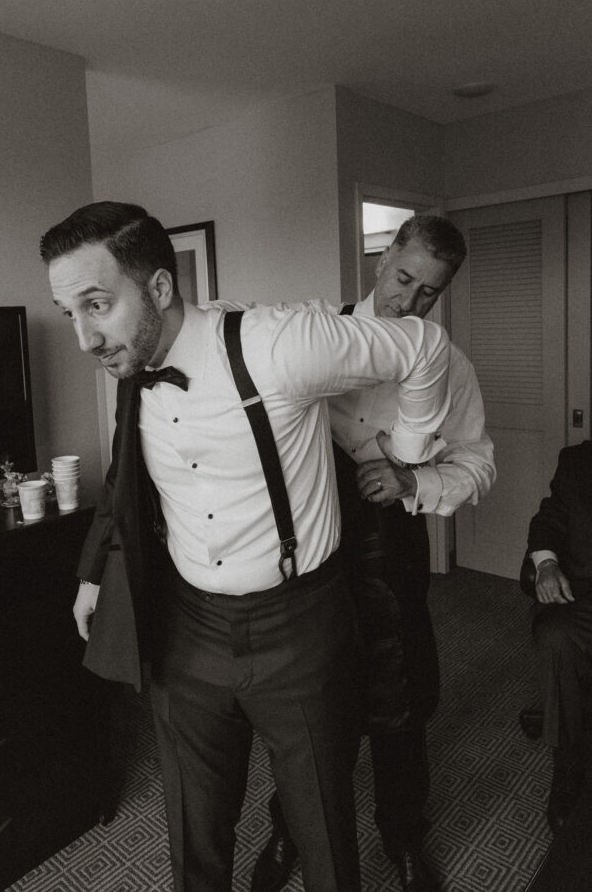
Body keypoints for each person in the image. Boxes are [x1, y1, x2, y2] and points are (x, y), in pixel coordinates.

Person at [40, 201, 451, 892]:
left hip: (300, 624)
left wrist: (406, 456)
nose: (83, 337)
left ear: (161, 289)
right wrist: (90, 577)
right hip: (187, 627)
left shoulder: (281, 344)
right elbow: (124, 478)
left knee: (322, 828)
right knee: (194, 833)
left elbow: (424, 348)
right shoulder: (130, 362)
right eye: (69, 312)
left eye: (96, 305)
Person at [252, 215, 495, 892]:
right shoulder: (312, 342)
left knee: (398, 706)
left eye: (428, 293)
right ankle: (288, 825)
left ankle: (403, 835)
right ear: (382, 256)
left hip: (391, 555)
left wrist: (413, 479)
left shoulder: (451, 366)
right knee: (306, 712)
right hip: (308, 560)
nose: (407, 302)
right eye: (402, 278)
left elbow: (478, 465)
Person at [520, 439, 592, 833]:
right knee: (556, 637)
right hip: (584, 595)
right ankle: (567, 767)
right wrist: (546, 565)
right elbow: (547, 521)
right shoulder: (578, 461)